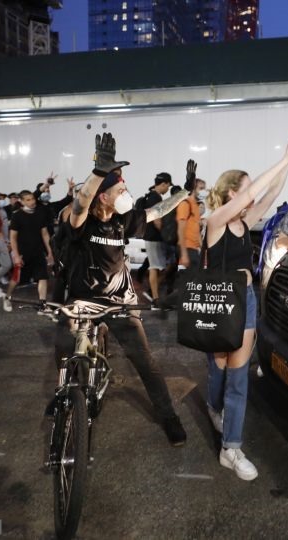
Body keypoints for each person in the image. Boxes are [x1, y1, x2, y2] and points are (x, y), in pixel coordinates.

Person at [55, 132, 189, 446]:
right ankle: (65, 400)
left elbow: (159, 211)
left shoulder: (122, 220)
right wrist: (100, 171)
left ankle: (168, 415)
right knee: (67, 351)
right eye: (120, 188)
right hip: (83, 302)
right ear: (103, 195)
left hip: (120, 303)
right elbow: (80, 204)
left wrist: (184, 191)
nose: (126, 192)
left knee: (146, 364)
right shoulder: (81, 223)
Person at [203, 133, 288, 481]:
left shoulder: (245, 222)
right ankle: (213, 407)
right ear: (232, 193)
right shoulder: (214, 222)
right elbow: (253, 192)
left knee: (238, 374)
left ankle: (231, 448)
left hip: (244, 299)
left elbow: (272, 193)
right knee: (218, 368)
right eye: (245, 188)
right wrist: (281, 156)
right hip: (218, 302)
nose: (251, 194)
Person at [3, 190, 53, 313]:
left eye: (33, 199)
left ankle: (42, 303)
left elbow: (45, 234)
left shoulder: (40, 214)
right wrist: (16, 255)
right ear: (22, 201)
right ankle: (7, 297)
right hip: (22, 253)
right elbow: (13, 237)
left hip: (38, 252)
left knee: (42, 277)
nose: (32, 201)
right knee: (16, 279)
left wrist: (50, 252)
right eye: (28, 200)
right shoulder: (17, 215)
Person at [141, 172, 174, 308]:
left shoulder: (152, 196)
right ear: (164, 183)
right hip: (154, 237)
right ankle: (154, 298)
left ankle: (152, 292)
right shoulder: (155, 197)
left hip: (153, 237)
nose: (168, 189)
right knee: (155, 267)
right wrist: (166, 234)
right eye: (168, 186)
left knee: (163, 266)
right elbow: (157, 220)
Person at [176, 161, 205, 271]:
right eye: (201, 188)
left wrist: (201, 248)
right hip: (187, 248)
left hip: (193, 248)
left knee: (195, 279)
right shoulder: (185, 204)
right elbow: (180, 230)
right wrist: (183, 254)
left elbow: (196, 229)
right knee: (192, 280)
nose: (204, 191)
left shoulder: (195, 206)